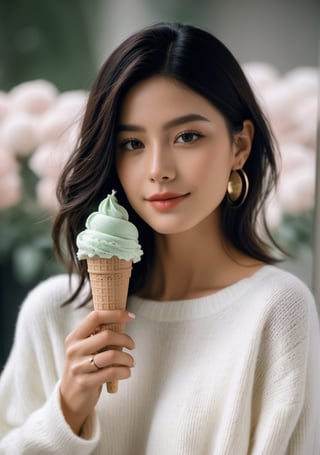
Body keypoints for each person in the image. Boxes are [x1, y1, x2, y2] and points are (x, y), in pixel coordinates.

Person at [0, 22, 319, 455]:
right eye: (132, 143)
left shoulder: (277, 310)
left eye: (187, 136)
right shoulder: (54, 313)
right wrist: (66, 410)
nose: (158, 169)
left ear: (240, 145)